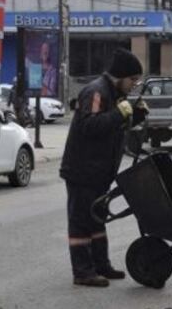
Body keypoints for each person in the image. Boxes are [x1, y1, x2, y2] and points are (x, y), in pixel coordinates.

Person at [59, 49, 148, 287]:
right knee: (80, 221)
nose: (133, 85)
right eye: (132, 80)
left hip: (99, 171)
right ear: (120, 76)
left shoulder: (115, 93)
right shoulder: (96, 91)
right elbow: (90, 126)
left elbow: (116, 128)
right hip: (82, 170)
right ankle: (83, 272)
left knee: (97, 218)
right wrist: (119, 114)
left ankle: (101, 265)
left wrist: (136, 115)